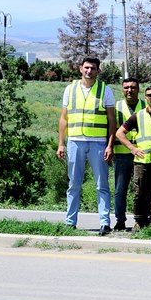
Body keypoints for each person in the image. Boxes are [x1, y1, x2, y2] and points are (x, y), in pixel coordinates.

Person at [57, 57, 116, 233]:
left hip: (98, 143)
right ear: (81, 69)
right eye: (87, 67)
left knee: (101, 184)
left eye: (93, 68)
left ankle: (105, 223)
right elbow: (63, 118)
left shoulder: (105, 90)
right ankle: (70, 222)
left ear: (98, 71)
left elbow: (112, 120)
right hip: (75, 141)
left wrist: (110, 145)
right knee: (74, 184)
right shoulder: (70, 89)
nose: (89, 71)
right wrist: (61, 143)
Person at [114, 83, 151, 229]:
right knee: (139, 193)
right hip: (142, 161)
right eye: (150, 95)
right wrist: (132, 148)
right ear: (145, 97)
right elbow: (120, 133)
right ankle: (139, 221)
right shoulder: (139, 115)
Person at [112, 77, 143, 231]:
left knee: (141, 189)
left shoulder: (146, 105)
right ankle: (120, 220)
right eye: (126, 87)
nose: (129, 90)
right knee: (120, 189)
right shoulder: (117, 107)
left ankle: (141, 220)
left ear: (138, 89)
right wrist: (109, 148)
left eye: (133, 87)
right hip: (122, 153)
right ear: (122, 89)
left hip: (142, 154)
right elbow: (111, 130)